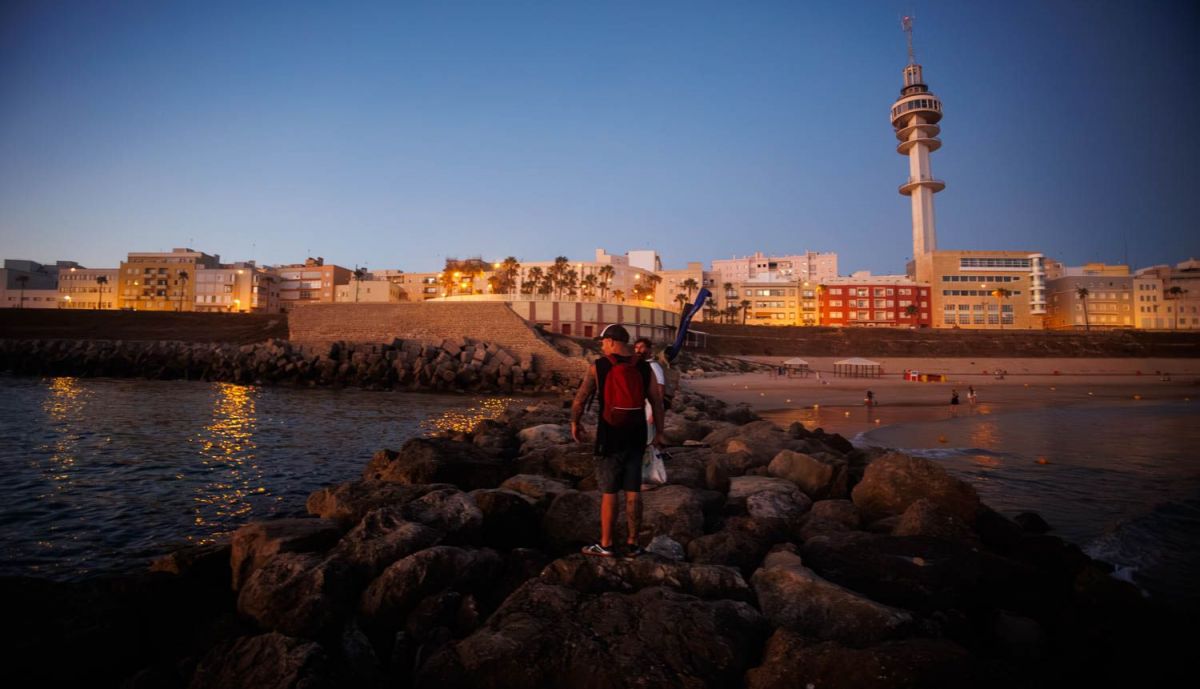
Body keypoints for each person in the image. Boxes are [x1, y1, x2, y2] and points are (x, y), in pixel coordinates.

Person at [572, 325, 666, 558]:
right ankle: (633, 544)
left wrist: (575, 422)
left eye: (603, 342)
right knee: (633, 490)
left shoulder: (598, 366)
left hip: (609, 435)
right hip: (637, 434)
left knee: (609, 491)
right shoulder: (644, 367)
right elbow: (657, 402)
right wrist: (659, 433)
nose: (602, 346)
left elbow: (580, 399)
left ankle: (606, 544)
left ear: (612, 341)